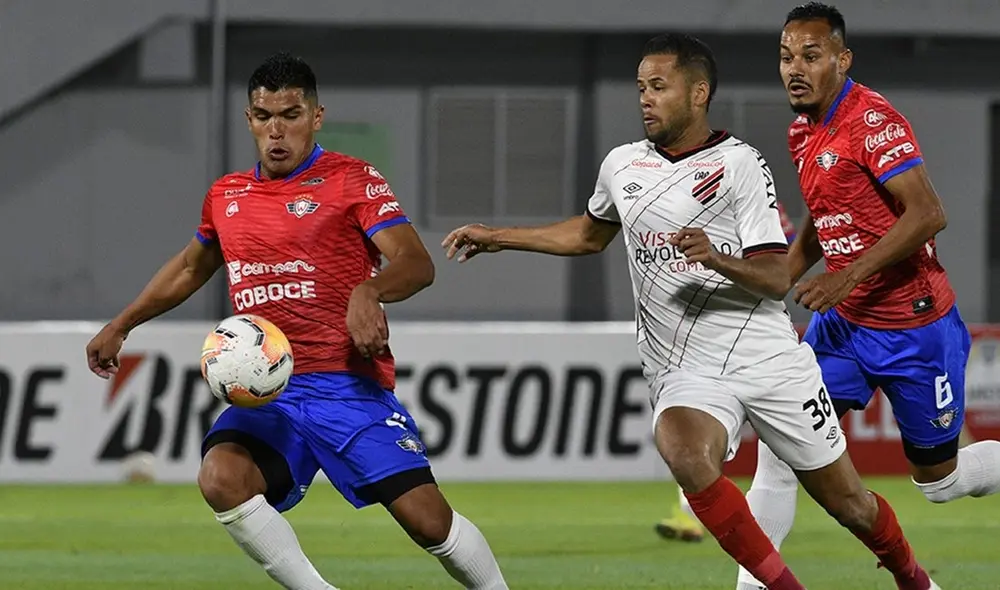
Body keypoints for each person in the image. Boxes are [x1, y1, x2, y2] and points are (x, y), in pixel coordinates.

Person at [442, 32, 939, 590]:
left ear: (698, 93)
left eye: (659, 86)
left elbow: (777, 278)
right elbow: (587, 235)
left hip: (766, 359)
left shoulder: (740, 164)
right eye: (641, 88)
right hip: (686, 369)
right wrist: (499, 237)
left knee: (851, 505)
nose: (645, 99)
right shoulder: (622, 166)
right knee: (683, 452)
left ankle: (913, 579)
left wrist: (717, 258)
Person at [85, 52, 508, 590]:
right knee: (221, 476)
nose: (276, 130)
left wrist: (369, 290)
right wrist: (123, 323)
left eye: (290, 115)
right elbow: (192, 267)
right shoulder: (227, 195)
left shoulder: (352, 180)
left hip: (346, 387)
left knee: (428, 522)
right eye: (264, 117)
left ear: (316, 117)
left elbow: (415, 262)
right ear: (249, 119)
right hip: (270, 393)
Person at [732, 4, 1000, 589]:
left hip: (914, 328)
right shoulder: (802, 131)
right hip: (845, 327)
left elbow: (928, 213)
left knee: (940, 482)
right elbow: (826, 212)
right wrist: (778, 276)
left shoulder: (872, 121)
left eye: (811, 56)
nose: (795, 69)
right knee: (780, 447)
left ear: (842, 59)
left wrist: (845, 276)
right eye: (786, 57)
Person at [654, 202, 797, 545]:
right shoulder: (690, 203)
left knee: (779, 453)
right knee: (693, 439)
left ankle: (751, 522)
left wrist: (740, 266)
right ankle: (694, 515)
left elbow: (786, 250)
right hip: (705, 333)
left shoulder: (754, 201)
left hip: (755, 331)